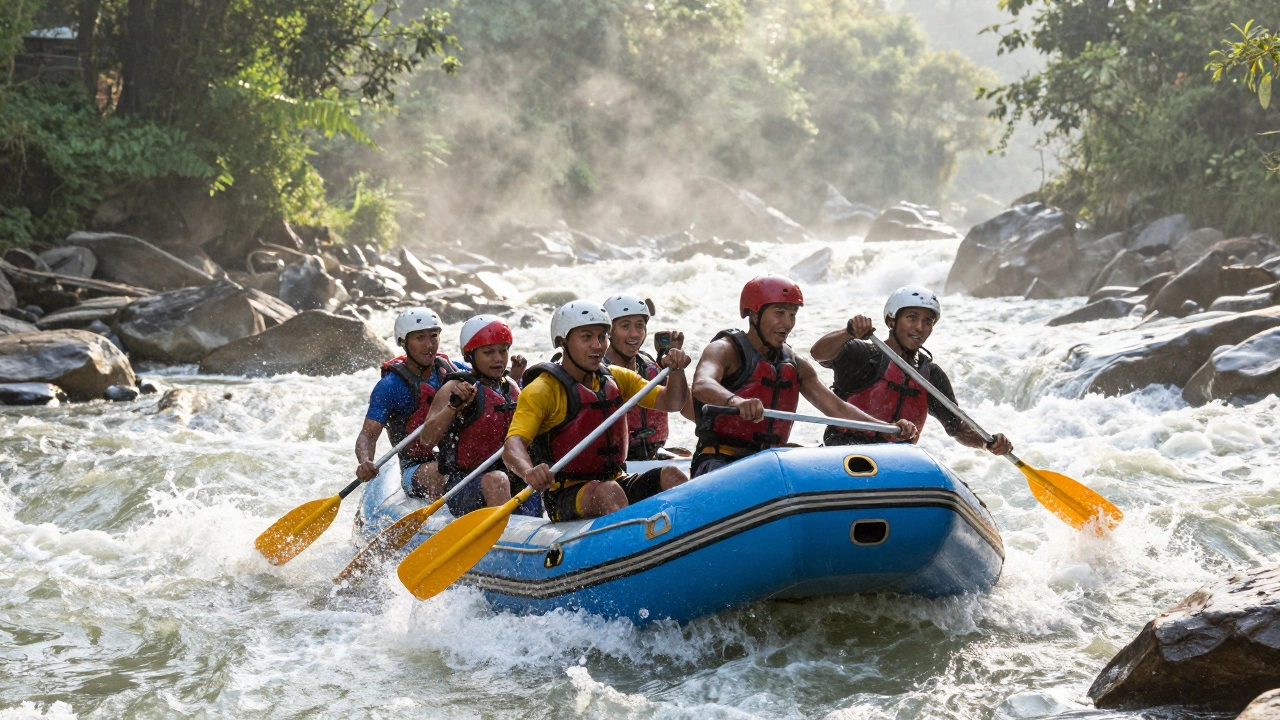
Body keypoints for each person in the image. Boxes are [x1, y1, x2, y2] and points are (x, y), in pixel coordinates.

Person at [690, 275, 919, 478]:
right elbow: (702, 384)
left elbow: (838, 410)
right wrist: (736, 401)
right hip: (720, 461)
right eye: (779, 313)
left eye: (792, 315)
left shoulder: (796, 365)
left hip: (768, 462)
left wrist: (888, 428)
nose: (788, 323)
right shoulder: (725, 349)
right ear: (754, 314)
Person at [503, 301, 692, 523]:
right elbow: (512, 446)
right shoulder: (542, 389)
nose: (597, 345)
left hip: (614, 480)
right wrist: (529, 471)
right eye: (586, 337)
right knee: (609, 492)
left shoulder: (616, 377)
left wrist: (677, 371)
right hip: (565, 493)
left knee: (672, 476)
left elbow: (671, 402)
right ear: (562, 341)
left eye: (602, 337)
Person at [808, 285, 1012, 455]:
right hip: (842, 453)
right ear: (891, 321)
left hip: (896, 462)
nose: (920, 327)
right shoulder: (863, 355)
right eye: (912, 318)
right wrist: (848, 333)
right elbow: (819, 353)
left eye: (927, 321)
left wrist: (987, 442)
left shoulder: (931, 376)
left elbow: (957, 427)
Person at [415, 315, 542, 517]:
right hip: (463, 485)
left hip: (510, 478)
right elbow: (427, 438)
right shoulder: (453, 388)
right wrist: (452, 408)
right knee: (497, 481)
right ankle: (501, 538)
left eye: (503, 350)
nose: (499, 358)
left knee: (535, 479)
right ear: (470, 356)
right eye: (488, 352)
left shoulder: (510, 388)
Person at [355, 308, 466, 498]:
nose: (429, 345)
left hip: (456, 457)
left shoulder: (452, 370)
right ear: (403, 342)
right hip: (415, 467)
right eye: (419, 338)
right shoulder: (390, 386)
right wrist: (365, 460)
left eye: (433, 336)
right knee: (440, 471)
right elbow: (367, 436)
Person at [600, 294, 690, 462]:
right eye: (625, 326)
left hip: (653, 454)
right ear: (609, 331)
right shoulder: (595, 372)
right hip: (612, 462)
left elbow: (686, 408)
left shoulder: (652, 367)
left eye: (640, 326)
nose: (634, 334)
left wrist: (674, 368)